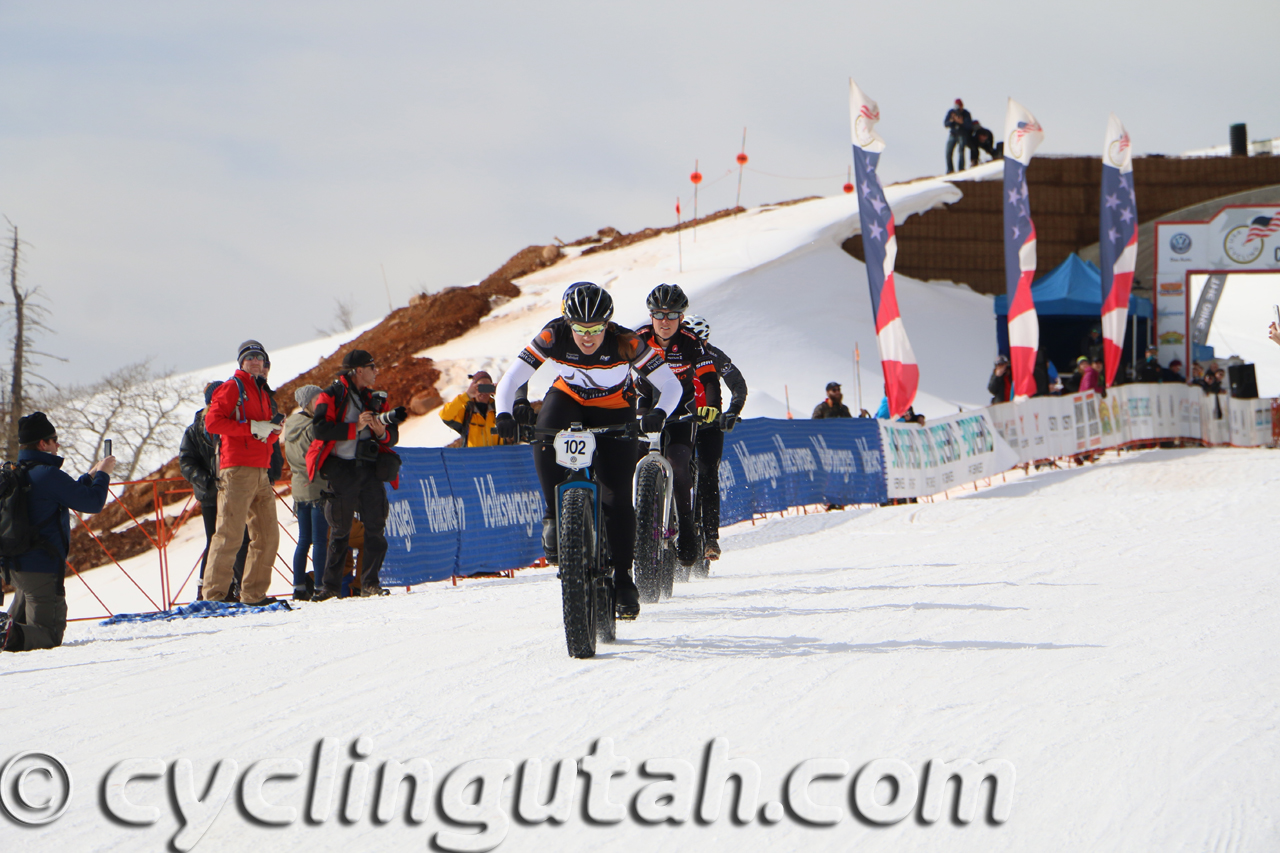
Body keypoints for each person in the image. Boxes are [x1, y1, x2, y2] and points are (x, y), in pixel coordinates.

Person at [493, 282, 682, 620]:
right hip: (568, 399)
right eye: (580, 328)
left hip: (614, 408)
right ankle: (553, 514)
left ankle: (623, 578)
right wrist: (505, 413)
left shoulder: (627, 341)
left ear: (607, 323)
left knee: (617, 497)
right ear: (568, 323)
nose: (588, 336)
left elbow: (671, 384)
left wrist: (658, 413)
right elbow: (510, 379)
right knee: (544, 434)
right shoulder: (553, 336)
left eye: (596, 328)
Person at [1, 412, 114, 651]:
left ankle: (7, 631)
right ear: (43, 444)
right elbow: (93, 503)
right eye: (54, 439)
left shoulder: (16, 472)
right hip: (40, 568)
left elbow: (61, 495)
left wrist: (90, 476)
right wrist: (104, 474)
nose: (57, 444)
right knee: (48, 635)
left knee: (19, 625)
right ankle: (4, 634)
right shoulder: (48, 474)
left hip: (13, 565)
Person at [306, 349, 406, 601]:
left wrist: (381, 431)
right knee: (340, 529)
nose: (376, 372)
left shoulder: (375, 398)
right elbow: (319, 429)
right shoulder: (330, 395)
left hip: (369, 467)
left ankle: (370, 583)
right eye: (372, 367)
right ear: (358, 370)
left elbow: (392, 437)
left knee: (376, 525)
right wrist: (356, 427)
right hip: (341, 468)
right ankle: (329, 587)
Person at [635, 284, 722, 566]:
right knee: (626, 465)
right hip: (645, 410)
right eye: (658, 314)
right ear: (650, 316)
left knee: (679, 464)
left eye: (672, 315)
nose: (664, 321)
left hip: (681, 413)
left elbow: (709, 377)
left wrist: (711, 406)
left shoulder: (690, 341)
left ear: (681, 318)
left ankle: (686, 528)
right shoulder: (637, 339)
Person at [201, 339, 284, 606]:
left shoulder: (262, 392)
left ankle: (253, 595)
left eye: (259, 357)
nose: (255, 361)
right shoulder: (232, 387)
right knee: (230, 533)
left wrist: (271, 433)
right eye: (249, 357)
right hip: (237, 469)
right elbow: (212, 422)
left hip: (260, 470)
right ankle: (214, 597)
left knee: (268, 536)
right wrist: (253, 428)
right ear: (241, 362)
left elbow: (261, 435)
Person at [683, 314, 747, 562]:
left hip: (709, 423)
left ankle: (710, 538)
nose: (695, 342)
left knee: (708, 474)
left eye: (700, 338)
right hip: (681, 421)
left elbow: (738, 384)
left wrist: (732, 412)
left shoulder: (716, 356)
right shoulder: (672, 353)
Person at [179, 380, 224, 599]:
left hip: (234, 491)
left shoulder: (231, 422)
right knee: (215, 539)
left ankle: (235, 584)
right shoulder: (195, 430)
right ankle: (205, 587)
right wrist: (206, 480)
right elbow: (186, 462)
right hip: (210, 494)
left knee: (238, 538)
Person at [284, 384, 329, 601]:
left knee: (304, 540)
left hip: (299, 487)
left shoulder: (291, 425)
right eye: (316, 399)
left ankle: (299, 586)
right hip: (318, 485)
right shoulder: (313, 427)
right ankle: (320, 585)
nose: (321, 402)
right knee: (320, 540)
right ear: (307, 403)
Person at [440, 370, 506, 448]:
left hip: (496, 458)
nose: (484, 392)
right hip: (473, 458)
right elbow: (445, 415)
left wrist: (502, 395)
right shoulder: (467, 410)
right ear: (473, 387)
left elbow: (515, 418)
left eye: (487, 387)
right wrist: (467, 395)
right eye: (481, 387)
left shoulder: (499, 408)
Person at [944, 98, 972, 173]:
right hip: (953, 134)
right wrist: (952, 121)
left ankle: (961, 168)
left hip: (962, 134)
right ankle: (950, 170)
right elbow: (945, 124)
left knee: (961, 151)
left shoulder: (966, 114)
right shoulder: (951, 112)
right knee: (948, 152)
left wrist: (961, 122)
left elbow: (969, 126)